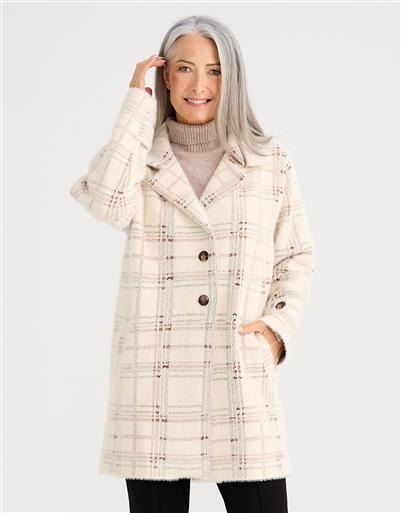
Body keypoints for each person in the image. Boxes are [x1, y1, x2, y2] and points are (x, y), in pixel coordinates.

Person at [70, 14, 316, 513]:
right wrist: (135, 106)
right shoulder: (138, 156)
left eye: (215, 71)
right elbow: (105, 202)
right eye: (184, 68)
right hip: (154, 381)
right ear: (165, 76)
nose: (199, 85)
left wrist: (275, 330)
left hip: (237, 371)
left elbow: (296, 256)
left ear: (232, 78)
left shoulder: (269, 161)